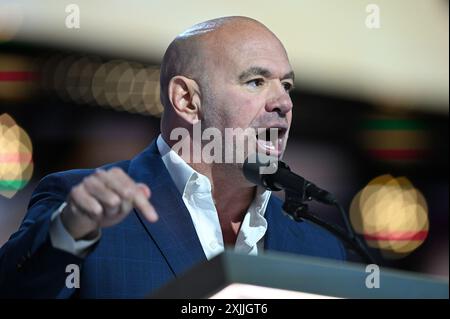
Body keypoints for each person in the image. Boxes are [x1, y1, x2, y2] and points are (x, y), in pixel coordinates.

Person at [0, 16, 346, 298]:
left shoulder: (320, 247)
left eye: (287, 86)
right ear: (186, 100)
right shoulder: (82, 208)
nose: (283, 103)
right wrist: (68, 230)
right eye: (256, 81)